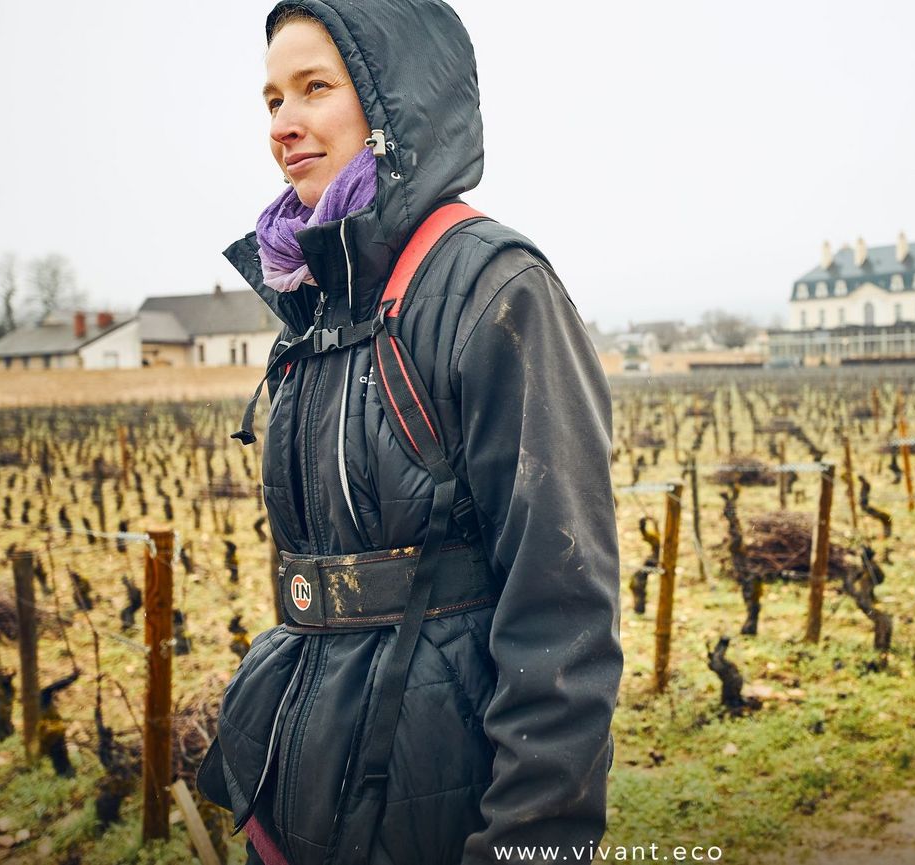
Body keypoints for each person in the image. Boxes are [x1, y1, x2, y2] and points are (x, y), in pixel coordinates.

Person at [196, 2, 623, 864]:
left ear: (397, 100)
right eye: (273, 99)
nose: (284, 124)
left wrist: (530, 846)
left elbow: (563, 611)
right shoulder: (318, 302)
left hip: (438, 799)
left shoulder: (494, 288)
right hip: (309, 785)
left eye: (316, 87)